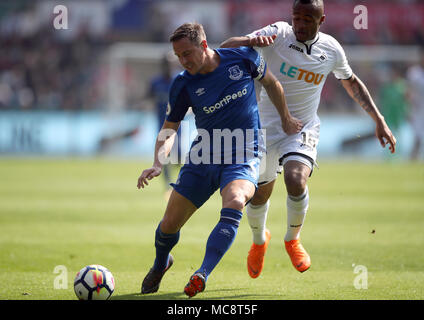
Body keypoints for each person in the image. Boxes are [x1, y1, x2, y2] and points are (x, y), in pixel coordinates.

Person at [220, 0, 397, 277]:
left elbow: (350, 81)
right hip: (263, 128)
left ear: (321, 20)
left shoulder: (331, 49)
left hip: (301, 128)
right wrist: (250, 39)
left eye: (307, 19)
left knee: (295, 178)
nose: (300, 25)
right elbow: (226, 49)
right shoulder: (278, 33)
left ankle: (292, 239)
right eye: (296, 18)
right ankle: (258, 242)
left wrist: (379, 120)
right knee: (258, 196)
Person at [137, 22, 302, 298]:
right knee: (168, 226)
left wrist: (285, 118)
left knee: (237, 200)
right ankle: (160, 263)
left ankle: (202, 273)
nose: (183, 61)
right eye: (178, 56)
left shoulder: (243, 58)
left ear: (204, 45)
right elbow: (169, 128)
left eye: (187, 53)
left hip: (245, 153)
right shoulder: (182, 83)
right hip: (204, 156)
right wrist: (157, 162)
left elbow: (272, 84)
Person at [406, 48, 424, 161]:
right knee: (417, 135)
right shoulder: (414, 72)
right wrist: (408, 107)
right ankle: (413, 158)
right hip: (417, 109)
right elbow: (408, 90)